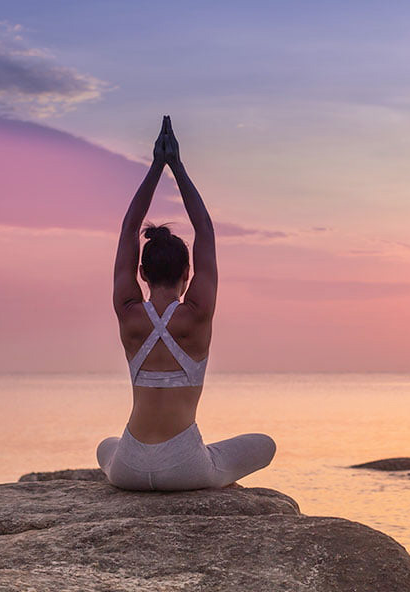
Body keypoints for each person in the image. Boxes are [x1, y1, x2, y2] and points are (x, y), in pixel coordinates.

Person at [96, 116, 276, 491]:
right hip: (185, 469)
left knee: (105, 446)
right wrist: (177, 167)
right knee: (265, 445)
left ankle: (147, 461)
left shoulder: (128, 311)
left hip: (129, 467)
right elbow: (205, 230)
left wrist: (154, 168)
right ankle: (199, 458)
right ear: (188, 273)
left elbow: (129, 230)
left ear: (141, 273)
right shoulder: (197, 314)